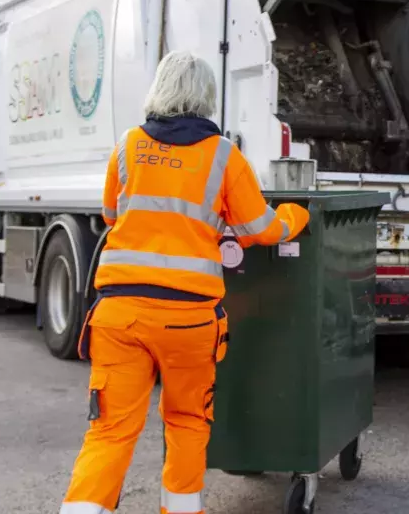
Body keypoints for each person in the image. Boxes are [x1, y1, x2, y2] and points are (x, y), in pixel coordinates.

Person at [60, 51, 310, 514]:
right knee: (186, 423)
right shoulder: (224, 156)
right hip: (188, 321)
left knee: (110, 431)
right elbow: (259, 230)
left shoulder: (128, 145)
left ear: (160, 89)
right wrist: (295, 216)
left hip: (120, 315)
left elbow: (111, 215)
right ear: (206, 98)